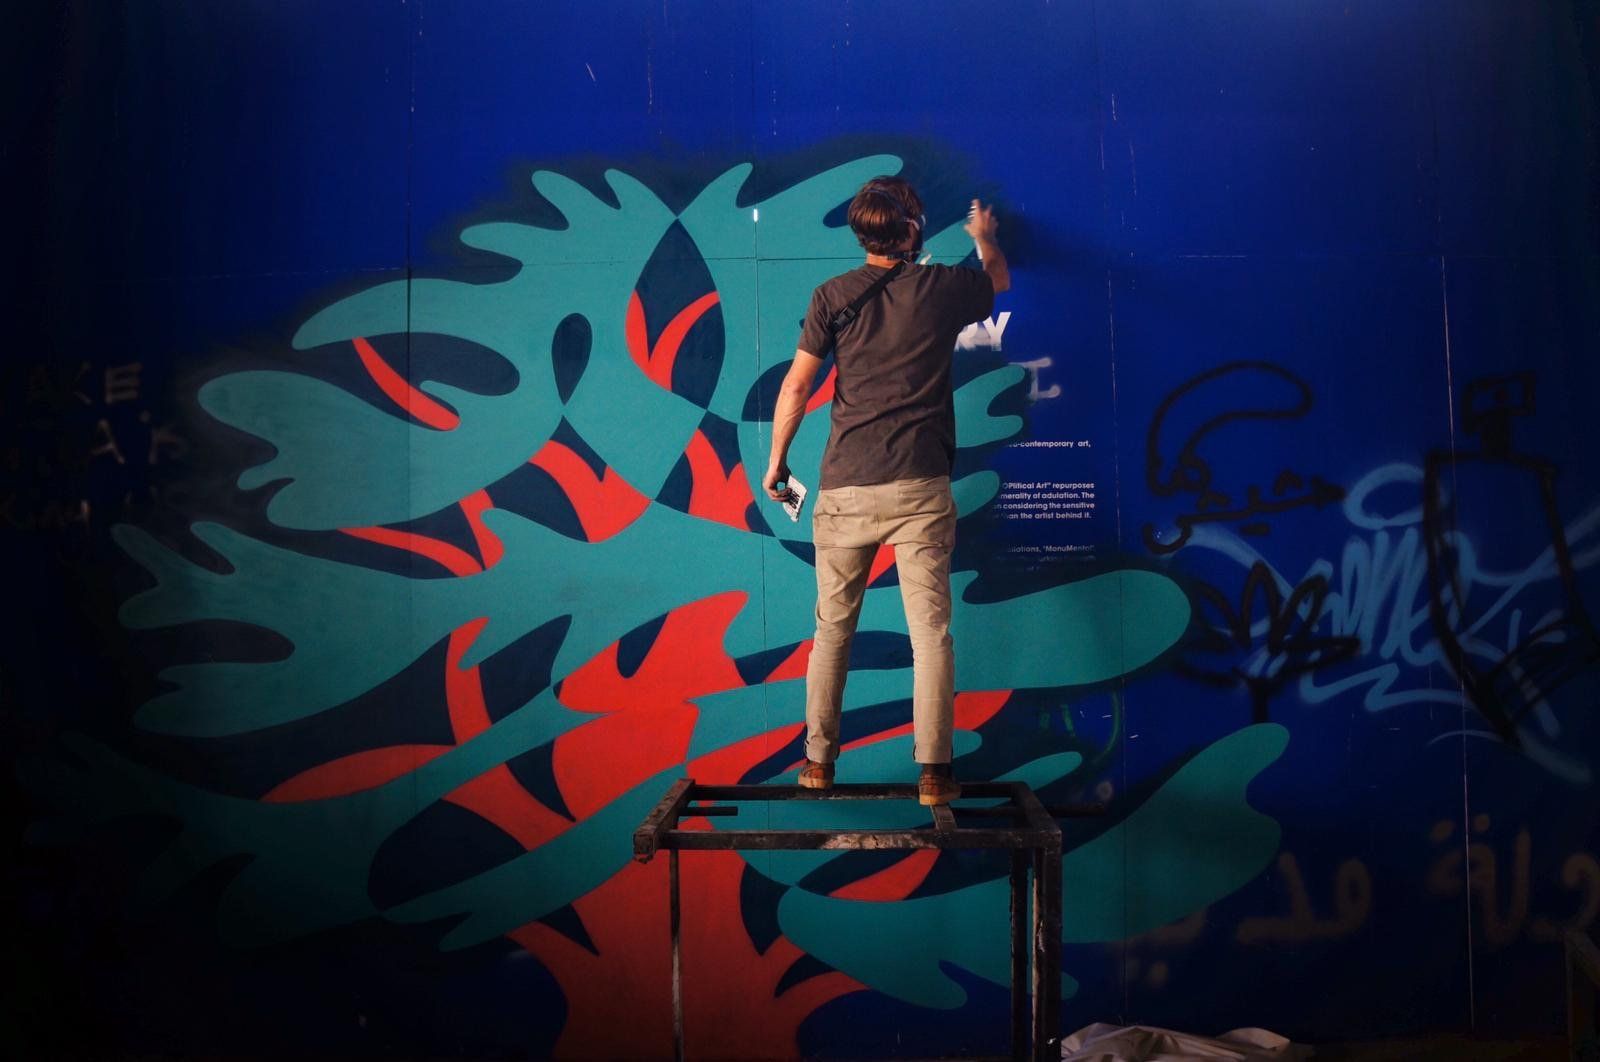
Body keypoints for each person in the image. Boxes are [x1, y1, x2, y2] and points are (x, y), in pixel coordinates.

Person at [762, 176, 1010, 806]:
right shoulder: (942, 287)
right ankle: (934, 775)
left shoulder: (831, 296)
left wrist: (777, 461)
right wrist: (984, 238)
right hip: (919, 488)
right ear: (912, 228)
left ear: (863, 235)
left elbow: (796, 387)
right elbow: (998, 280)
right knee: (930, 637)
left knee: (832, 632)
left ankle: (817, 764)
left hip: (846, 487)